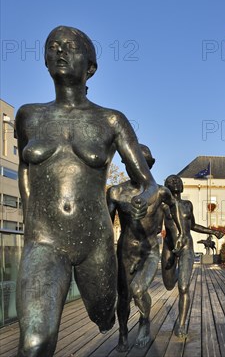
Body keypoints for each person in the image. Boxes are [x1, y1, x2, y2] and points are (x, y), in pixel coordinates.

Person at [15, 26, 157, 356]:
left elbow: (147, 182)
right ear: (45, 61)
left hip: (95, 241)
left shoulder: (110, 120)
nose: (60, 52)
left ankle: (108, 315)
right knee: (35, 342)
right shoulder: (29, 116)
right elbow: (24, 169)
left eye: (70, 47)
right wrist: (29, 222)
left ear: (90, 67)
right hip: (44, 240)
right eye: (53, 47)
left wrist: (143, 199)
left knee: (103, 314)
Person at [107, 145, 183, 351]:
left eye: (143, 164)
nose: (138, 168)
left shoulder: (159, 192)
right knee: (123, 296)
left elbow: (175, 206)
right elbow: (106, 225)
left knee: (139, 290)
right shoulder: (116, 192)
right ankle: (122, 333)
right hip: (125, 251)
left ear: (150, 165)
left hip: (149, 250)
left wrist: (181, 232)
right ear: (126, 164)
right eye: (133, 164)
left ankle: (144, 324)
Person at [161, 174, 224, 338]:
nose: (175, 182)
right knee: (168, 284)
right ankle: (177, 272)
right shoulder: (163, 207)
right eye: (171, 181)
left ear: (182, 186)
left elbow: (194, 225)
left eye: (178, 181)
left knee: (183, 287)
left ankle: (181, 324)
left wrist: (213, 231)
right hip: (169, 246)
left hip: (187, 247)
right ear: (166, 186)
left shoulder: (187, 205)